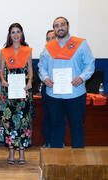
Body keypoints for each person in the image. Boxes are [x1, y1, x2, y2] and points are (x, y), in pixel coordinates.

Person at [38, 17, 95, 148]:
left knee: (77, 127)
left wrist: (81, 77)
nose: (60, 28)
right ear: (54, 29)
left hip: (76, 94)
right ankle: (57, 161)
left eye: (62, 24)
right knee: (56, 128)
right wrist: (45, 78)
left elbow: (90, 64)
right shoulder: (48, 47)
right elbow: (42, 66)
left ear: (68, 26)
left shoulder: (81, 44)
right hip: (54, 95)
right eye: (56, 26)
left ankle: (78, 162)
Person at [0, 23, 34, 165]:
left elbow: (30, 69)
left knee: (23, 121)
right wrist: (2, 80)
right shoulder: (4, 51)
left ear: (22, 33)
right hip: (8, 91)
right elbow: (1, 70)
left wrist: (30, 81)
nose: (16, 34)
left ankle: (22, 153)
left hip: (23, 90)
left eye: (18, 31)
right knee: (9, 122)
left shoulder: (28, 50)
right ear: (10, 35)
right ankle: (11, 153)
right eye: (13, 32)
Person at [41, 30, 56, 148]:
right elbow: (41, 69)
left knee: (59, 116)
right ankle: (47, 142)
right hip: (47, 88)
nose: (51, 40)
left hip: (61, 88)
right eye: (48, 38)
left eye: (53, 37)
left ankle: (58, 141)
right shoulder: (44, 52)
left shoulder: (67, 52)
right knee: (47, 116)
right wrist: (46, 78)